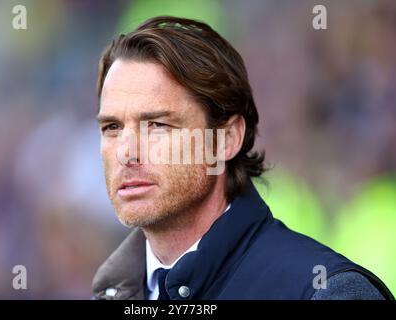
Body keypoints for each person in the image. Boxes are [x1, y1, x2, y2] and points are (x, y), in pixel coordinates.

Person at [92, 16, 393, 300]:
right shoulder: (112, 290)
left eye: (158, 125)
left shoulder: (327, 292)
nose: (126, 152)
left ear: (227, 139)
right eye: (112, 127)